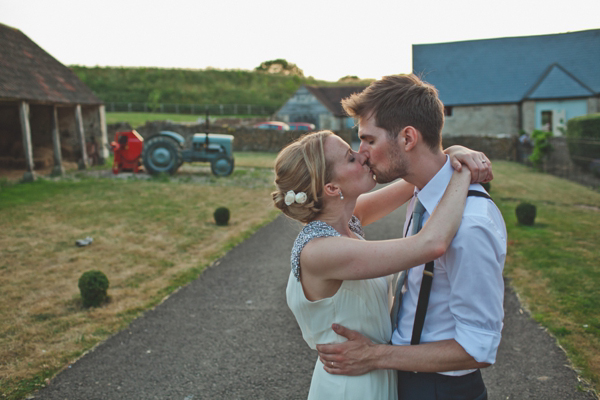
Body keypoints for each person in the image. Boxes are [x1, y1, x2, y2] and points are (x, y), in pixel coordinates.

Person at [316, 74, 507, 400]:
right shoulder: (421, 193)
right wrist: (454, 156)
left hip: (440, 389)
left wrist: (374, 356)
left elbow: (477, 348)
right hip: (404, 378)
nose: (362, 154)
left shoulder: (472, 225)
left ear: (407, 138)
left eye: (369, 140)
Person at [272, 129, 493, 400]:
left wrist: (453, 154)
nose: (363, 155)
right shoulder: (321, 251)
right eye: (350, 158)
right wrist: (462, 173)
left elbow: (419, 177)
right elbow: (431, 244)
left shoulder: (346, 221)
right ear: (332, 188)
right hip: (352, 387)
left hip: (372, 371)